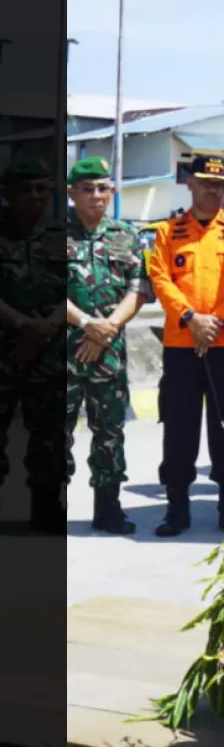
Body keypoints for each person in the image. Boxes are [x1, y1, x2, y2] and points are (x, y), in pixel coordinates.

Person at [147, 154, 224, 537]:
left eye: (220, 185)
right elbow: (160, 279)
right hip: (181, 342)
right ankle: (176, 507)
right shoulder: (168, 232)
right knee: (179, 425)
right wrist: (190, 319)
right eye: (205, 183)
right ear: (190, 184)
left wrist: (218, 322)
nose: (213, 190)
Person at [64, 156, 153, 535]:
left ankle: (108, 508)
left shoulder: (126, 235)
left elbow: (139, 288)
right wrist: (87, 324)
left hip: (110, 352)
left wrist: (109, 327)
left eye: (104, 187)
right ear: (71, 193)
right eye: (88, 188)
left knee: (110, 433)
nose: (97, 195)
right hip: (64, 352)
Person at [0, 160, 67, 533]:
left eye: (42, 188)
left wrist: (46, 328)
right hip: (4, 349)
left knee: (49, 438)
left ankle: (46, 513)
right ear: (7, 194)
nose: (35, 196)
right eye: (25, 189)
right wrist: (23, 325)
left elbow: (74, 293)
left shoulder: (62, 234)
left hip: (49, 353)